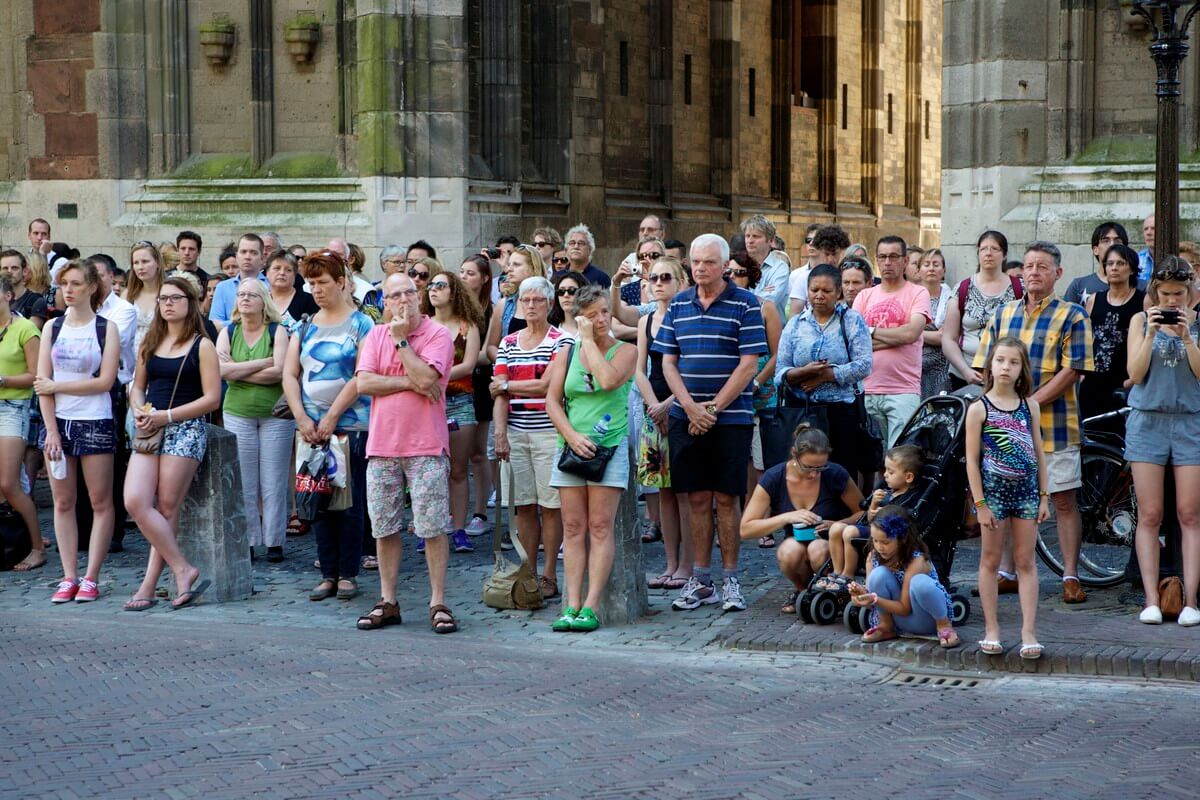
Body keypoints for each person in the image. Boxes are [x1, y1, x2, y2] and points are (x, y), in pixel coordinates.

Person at [652, 233, 768, 613]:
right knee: (696, 497)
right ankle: (701, 580)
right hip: (687, 417)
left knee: (726, 498)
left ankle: (731, 578)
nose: (699, 269)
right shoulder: (679, 304)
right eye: (695, 263)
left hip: (730, 418)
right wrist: (689, 407)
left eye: (707, 263)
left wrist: (713, 409)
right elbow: (668, 361)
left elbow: (749, 363)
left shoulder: (746, 304)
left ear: (724, 266)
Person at [974, 241, 1094, 604]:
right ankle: (1008, 572)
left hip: (1055, 424)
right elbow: (985, 365)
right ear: (1019, 272)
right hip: (1004, 430)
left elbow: (1073, 370)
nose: (1034, 272)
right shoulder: (1004, 313)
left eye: (1043, 266)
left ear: (1058, 273)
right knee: (1009, 499)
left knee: (1062, 500)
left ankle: (1070, 575)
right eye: (1028, 266)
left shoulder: (1072, 315)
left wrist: (1027, 406)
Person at [356, 272, 459, 634]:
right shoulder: (374, 334)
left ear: (419, 298)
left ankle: (438, 600)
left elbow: (429, 380)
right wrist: (408, 381)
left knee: (431, 527)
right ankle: (388, 599)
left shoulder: (437, 335)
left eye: (409, 293)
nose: (402, 300)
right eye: (394, 295)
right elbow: (363, 382)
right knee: (384, 527)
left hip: (426, 445)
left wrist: (402, 343)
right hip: (382, 445)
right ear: (384, 302)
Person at [122, 277, 221, 610]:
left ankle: (149, 585)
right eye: (163, 298)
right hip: (150, 427)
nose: (167, 304)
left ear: (189, 303)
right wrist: (139, 408)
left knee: (166, 506)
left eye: (175, 298)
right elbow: (137, 386)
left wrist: (168, 416)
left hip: (186, 428)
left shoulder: (201, 345)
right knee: (135, 501)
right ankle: (183, 568)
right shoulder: (150, 341)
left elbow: (212, 398)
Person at [281, 250, 374, 603]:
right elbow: (290, 374)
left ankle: (348, 571)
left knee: (348, 501)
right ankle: (327, 572)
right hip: (310, 429)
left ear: (341, 282)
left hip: (350, 425)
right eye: (312, 283)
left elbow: (360, 375)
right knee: (315, 497)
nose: (316, 290)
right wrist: (302, 418)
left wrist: (333, 415)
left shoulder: (361, 324)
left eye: (323, 283)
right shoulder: (304, 325)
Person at [545, 284, 638, 632]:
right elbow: (552, 400)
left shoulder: (625, 351)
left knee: (600, 526)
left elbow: (609, 379)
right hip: (569, 447)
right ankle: (570, 604)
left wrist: (588, 342)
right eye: (594, 313)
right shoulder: (565, 353)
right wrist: (570, 435)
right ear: (580, 316)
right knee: (572, 527)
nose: (602, 319)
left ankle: (591, 605)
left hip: (608, 447)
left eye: (605, 312)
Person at [34, 260, 121, 603]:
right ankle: (68, 575)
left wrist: (59, 386)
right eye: (63, 284)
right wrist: (51, 430)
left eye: (74, 283)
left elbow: (105, 381)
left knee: (100, 500)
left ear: (91, 287)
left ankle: (91, 576)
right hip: (60, 422)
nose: (67, 290)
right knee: (63, 500)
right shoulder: (53, 328)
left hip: (95, 421)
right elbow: (43, 385)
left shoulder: (105, 328)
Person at [1125, 260, 1200, 626]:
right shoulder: (1140, 323)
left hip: (1190, 420)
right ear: (1154, 295)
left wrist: (1187, 337)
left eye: (1179, 295)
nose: (1173, 301)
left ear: (1190, 295)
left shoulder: (1197, 325)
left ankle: (1191, 601)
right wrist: (1153, 334)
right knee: (1150, 513)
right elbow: (1136, 374)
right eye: (1166, 295)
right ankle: (1151, 599)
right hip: (1148, 420)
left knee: (1190, 513)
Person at [966, 337, 1049, 658]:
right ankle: (992, 628)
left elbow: (1039, 454)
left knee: (1026, 561)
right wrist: (980, 504)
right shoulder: (979, 409)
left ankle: (1028, 631)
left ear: (1021, 369)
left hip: (1026, 493)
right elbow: (971, 460)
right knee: (990, 560)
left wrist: (1044, 496)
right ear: (990, 365)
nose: (1006, 367)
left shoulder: (1030, 406)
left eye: (1013, 362)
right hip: (994, 495)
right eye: (1000, 360)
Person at [492, 276, 569, 597]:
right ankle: (530, 571)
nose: (532, 305)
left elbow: (548, 386)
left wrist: (508, 386)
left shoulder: (562, 341)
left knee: (551, 506)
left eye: (538, 300)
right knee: (524, 505)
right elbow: (496, 393)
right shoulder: (508, 343)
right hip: (515, 431)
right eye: (526, 300)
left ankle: (550, 574)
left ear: (550, 304)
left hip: (549, 433)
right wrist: (499, 432)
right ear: (519, 305)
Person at [740, 425, 864, 614]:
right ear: (794, 454)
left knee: (817, 548)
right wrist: (786, 517)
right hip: (797, 542)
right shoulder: (775, 477)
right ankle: (804, 591)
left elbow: (863, 512)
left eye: (820, 467)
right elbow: (746, 529)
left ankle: (835, 592)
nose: (814, 474)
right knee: (788, 551)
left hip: (832, 545)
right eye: (808, 467)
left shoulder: (835, 474)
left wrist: (839, 524)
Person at [216, 278, 291, 562]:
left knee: (273, 480)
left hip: (275, 414)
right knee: (244, 481)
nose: (245, 299)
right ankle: (248, 539)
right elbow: (221, 370)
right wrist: (263, 362)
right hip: (237, 412)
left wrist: (238, 370)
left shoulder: (277, 330)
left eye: (252, 294)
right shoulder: (229, 331)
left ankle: (274, 541)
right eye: (241, 294)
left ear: (264, 301)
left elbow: (280, 371)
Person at [774, 264, 873, 478]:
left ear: (838, 292)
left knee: (841, 472)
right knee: (803, 471)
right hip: (801, 410)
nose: (819, 296)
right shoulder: (795, 324)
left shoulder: (852, 320)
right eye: (814, 290)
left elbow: (864, 364)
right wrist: (802, 372)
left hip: (841, 411)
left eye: (826, 291)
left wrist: (826, 376)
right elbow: (780, 373)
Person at [636, 256, 693, 590]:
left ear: (680, 281)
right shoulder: (646, 322)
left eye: (666, 277)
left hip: (681, 410)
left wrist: (670, 405)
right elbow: (640, 370)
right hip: (653, 413)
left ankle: (687, 565)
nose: (659, 283)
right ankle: (671, 564)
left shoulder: (686, 318)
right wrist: (653, 406)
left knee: (685, 493)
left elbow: (690, 370)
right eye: (654, 277)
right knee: (664, 491)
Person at [422, 271, 483, 553]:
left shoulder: (467, 327)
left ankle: (458, 529)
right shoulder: (421, 327)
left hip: (459, 401)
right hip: (426, 404)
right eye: (431, 285)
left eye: (440, 285)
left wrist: (435, 377)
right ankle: (430, 529)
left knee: (458, 469)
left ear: (453, 291)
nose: (433, 290)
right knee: (428, 471)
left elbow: (469, 365)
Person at [853, 236, 931, 448]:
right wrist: (898, 337)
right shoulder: (864, 296)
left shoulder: (918, 293)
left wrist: (870, 331)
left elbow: (912, 334)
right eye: (883, 257)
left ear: (905, 261)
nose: (888, 262)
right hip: (866, 389)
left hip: (903, 391)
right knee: (870, 462)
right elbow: (854, 343)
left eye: (894, 257)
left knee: (900, 460)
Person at [848, 506, 960, 648]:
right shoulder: (872, 557)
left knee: (920, 583)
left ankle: (943, 625)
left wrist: (874, 598)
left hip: (924, 618)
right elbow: (875, 600)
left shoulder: (917, 561)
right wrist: (861, 596)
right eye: (875, 541)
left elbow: (904, 608)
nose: (879, 547)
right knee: (877, 575)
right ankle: (885, 626)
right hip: (898, 622)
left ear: (903, 539)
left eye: (885, 542)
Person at [824, 444, 925, 588]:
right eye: (885, 470)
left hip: (884, 536)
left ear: (908, 477)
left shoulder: (909, 498)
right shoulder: (886, 493)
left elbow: (902, 523)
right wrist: (873, 505)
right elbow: (870, 519)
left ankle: (848, 575)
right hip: (871, 528)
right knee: (835, 528)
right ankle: (837, 572)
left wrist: (882, 514)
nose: (885, 475)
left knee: (849, 531)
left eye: (890, 472)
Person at [725, 251, 782, 504]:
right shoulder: (722, 308)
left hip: (762, 393)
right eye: (730, 272)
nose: (734, 277)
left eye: (740, 273)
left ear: (752, 276)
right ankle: (746, 512)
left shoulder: (765, 307)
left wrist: (757, 382)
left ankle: (763, 518)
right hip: (730, 393)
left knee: (761, 462)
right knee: (740, 459)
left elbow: (777, 354)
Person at [0, 275, 44, 571]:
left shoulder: (26, 329)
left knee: (8, 483)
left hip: (12, 407)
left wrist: (3, 381)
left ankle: (38, 546)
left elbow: (36, 375)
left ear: (8, 296)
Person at [941, 230, 1022, 391]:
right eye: (984, 249)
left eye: (995, 249)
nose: (988, 253)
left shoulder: (1019, 289)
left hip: (1008, 375)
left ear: (1004, 255)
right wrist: (965, 371)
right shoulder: (962, 288)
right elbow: (949, 338)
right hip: (964, 374)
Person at [1079, 243, 1144, 436]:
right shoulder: (1094, 299)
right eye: (1109, 263)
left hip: (1124, 384)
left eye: (1120, 263)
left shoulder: (1143, 300)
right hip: (1092, 383)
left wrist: (1133, 379)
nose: (1114, 268)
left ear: (1131, 268)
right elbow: (1085, 339)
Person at [459, 254, 496, 536]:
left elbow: (490, 351)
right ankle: (454, 511)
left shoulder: (490, 312)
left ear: (484, 279)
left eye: (470, 273)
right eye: (461, 272)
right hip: (456, 386)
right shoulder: (454, 310)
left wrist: (468, 359)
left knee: (478, 451)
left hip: (481, 383)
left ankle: (480, 512)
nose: (464, 277)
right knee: (454, 454)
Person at [485, 244, 547, 361]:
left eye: (516, 265)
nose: (509, 269)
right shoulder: (504, 304)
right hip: (509, 371)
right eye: (509, 264)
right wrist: (508, 363)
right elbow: (491, 347)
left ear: (533, 268)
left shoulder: (550, 301)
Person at [1063, 222, 1130, 307]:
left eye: (1117, 241)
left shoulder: (1140, 286)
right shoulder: (1078, 286)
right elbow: (1065, 318)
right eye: (1106, 241)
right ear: (1095, 250)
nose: (1112, 245)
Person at [209, 234, 267, 329]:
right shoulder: (222, 287)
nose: (247, 257)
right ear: (237, 256)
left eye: (253, 253)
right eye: (243, 252)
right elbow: (215, 325)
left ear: (262, 258)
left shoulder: (270, 285)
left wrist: (231, 323)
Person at [789, 225, 849, 317]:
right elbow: (793, 317)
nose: (830, 259)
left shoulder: (848, 279)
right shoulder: (804, 278)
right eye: (827, 254)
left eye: (834, 254)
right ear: (819, 251)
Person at [739, 214, 789, 317]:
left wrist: (740, 296)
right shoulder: (739, 266)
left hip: (769, 330)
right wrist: (761, 294)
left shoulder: (780, 268)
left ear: (770, 241)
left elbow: (768, 303)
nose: (750, 241)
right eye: (747, 236)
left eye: (756, 236)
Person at [918, 248, 952, 398]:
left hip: (941, 367)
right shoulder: (910, 297)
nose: (931, 268)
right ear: (918, 270)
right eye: (926, 264)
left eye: (936, 264)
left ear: (944, 270)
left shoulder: (951, 299)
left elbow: (944, 337)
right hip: (912, 365)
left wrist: (914, 333)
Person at [124, 241, 166, 355]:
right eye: (136, 263)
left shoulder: (168, 293)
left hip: (159, 352)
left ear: (157, 262)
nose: (140, 267)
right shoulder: (128, 295)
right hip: (130, 355)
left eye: (145, 261)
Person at [266, 250, 318, 332]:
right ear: (267, 273)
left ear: (294, 275)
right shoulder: (260, 301)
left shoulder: (309, 301)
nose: (282, 273)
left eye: (288, 270)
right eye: (277, 268)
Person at [2, 250, 48, 329]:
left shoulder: (36, 301)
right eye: (5, 268)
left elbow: (29, 332)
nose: (9, 272)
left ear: (24, 271)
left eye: (14, 268)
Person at [787, 223, 824, 316]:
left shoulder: (833, 273)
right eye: (808, 240)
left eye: (816, 240)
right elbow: (792, 312)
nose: (811, 243)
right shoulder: (796, 275)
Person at [549, 270, 587, 340]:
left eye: (572, 290)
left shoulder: (595, 326)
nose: (566, 295)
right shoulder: (549, 328)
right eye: (561, 291)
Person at [1138, 212, 1156, 284]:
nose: (1148, 233)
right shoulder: (1137, 259)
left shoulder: (1176, 259)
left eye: (1153, 228)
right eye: (1146, 229)